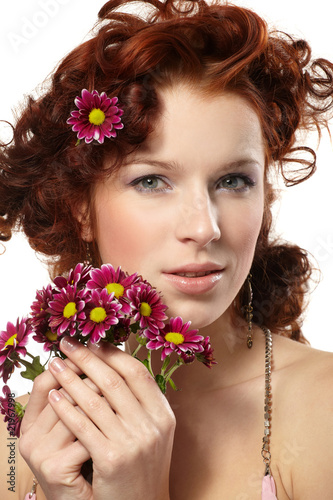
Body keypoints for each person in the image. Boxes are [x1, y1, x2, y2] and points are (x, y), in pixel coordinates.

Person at [1, 0, 333, 498]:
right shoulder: (20, 443)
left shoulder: (322, 412)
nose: (204, 227)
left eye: (234, 180)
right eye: (153, 180)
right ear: (80, 209)